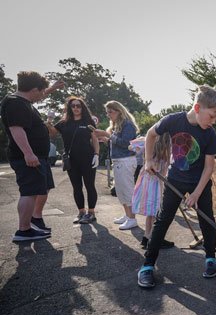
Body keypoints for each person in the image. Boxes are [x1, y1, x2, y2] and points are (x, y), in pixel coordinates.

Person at [137, 84, 216, 288]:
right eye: (212, 116)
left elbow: (209, 167)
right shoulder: (173, 120)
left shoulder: (209, 133)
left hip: (200, 182)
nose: (213, 122)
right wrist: (148, 160)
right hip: (176, 179)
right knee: (163, 220)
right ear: (197, 108)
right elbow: (151, 134)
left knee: (208, 220)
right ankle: (147, 265)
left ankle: (211, 258)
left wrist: (196, 193)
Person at [0, 71, 64, 241]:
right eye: (42, 91)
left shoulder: (22, 101)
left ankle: (32, 221)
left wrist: (52, 88)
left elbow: (39, 96)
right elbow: (16, 129)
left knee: (39, 189)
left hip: (38, 157)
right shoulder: (16, 104)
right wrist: (28, 153)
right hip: (27, 158)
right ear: (34, 89)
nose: (43, 95)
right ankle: (24, 230)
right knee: (29, 192)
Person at [46, 96, 100, 224]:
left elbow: (95, 138)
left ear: (82, 108)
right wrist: (49, 120)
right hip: (71, 160)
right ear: (69, 108)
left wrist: (96, 154)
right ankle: (81, 212)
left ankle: (91, 213)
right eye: (73, 106)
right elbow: (52, 133)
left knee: (90, 185)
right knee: (76, 187)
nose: (76, 108)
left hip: (87, 158)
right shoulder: (64, 122)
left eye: (78, 106)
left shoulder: (88, 121)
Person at [93, 101, 139, 230]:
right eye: (107, 112)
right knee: (120, 190)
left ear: (119, 111)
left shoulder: (127, 124)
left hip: (125, 160)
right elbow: (119, 143)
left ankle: (132, 218)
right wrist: (108, 140)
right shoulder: (118, 124)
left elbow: (126, 143)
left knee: (127, 190)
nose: (108, 114)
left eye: (110, 112)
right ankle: (127, 215)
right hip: (120, 160)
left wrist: (108, 135)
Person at [130, 135, 174, 249]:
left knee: (151, 212)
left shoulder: (149, 142)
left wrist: (144, 143)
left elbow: (131, 146)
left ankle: (146, 238)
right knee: (156, 212)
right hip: (156, 183)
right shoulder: (168, 150)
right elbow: (165, 171)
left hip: (146, 182)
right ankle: (155, 239)